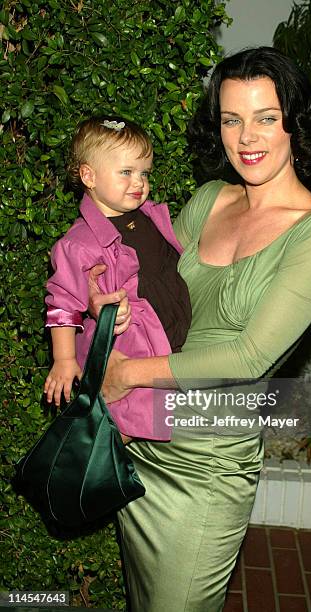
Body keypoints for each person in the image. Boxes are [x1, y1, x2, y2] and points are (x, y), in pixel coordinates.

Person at [89, 47, 311, 611]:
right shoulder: (209, 199)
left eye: (266, 117)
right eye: (232, 118)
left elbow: (250, 356)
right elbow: (146, 289)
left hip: (206, 469)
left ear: (294, 122)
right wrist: (94, 289)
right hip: (139, 441)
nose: (246, 137)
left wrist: (127, 373)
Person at [43, 116, 191, 443]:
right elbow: (63, 303)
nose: (138, 182)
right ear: (89, 176)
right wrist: (64, 359)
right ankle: (76, 481)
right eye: (126, 172)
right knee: (111, 437)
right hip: (130, 350)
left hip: (169, 346)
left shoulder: (148, 216)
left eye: (143, 173)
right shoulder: (80, 243)